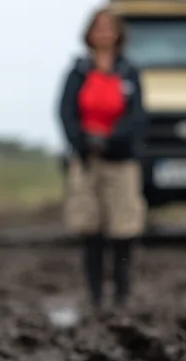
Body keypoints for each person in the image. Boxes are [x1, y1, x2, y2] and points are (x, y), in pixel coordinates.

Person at [58, 6, 147, 312]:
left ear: (119, 34)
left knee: (124, 228)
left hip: (120, 160)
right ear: (90, 33)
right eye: (99, 27)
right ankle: (96, 297)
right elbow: (66, 112)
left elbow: (137, 116)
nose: (104, 33)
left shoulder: (130, 72)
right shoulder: (78, 71)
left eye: (110, 28)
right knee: (90, 229)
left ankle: (122, 295)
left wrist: (112, 140)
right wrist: (82, 141)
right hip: (87, 160)